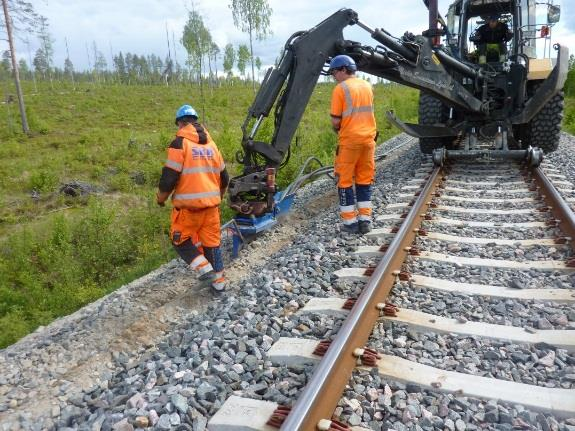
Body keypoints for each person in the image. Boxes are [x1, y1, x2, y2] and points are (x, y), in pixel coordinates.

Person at [156, 104, 229, 292]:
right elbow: (225, 178)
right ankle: (219, 286)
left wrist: (161, 198)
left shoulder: (179, 143)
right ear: (195, 121)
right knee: (212, 245)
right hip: (212, 209)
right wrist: (216, 198)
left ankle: (205, 270)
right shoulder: (213, 146)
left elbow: (169, 178)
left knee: (179, 240)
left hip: (189, 210)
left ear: (180, 123)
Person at [329, 54, 377, 235]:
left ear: (343, 69)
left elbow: (335, 121)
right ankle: (365, 220)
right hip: (368, 141)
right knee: (364, 180)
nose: (334, 76)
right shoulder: (367, 85)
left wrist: (339, 128)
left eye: (334, 72)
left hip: (349, 142)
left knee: (344, 181)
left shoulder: (340, 89)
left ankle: (350, 223)